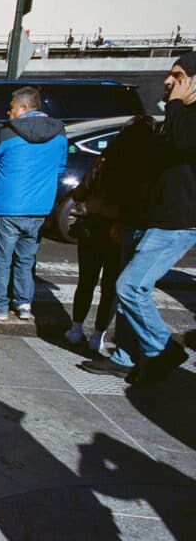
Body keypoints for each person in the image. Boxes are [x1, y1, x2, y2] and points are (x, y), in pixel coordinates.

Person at [80, 53, 196, 383]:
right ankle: (125, 356)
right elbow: (148, 176)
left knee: (131, 286)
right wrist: (127, 218)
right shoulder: (175, 118)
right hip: (146, 218)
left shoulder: (184, 118)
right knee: (125, 291)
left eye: (177, 75)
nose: (167, 81)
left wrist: (174, 105)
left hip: (174, 223)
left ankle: (162, 349)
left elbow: (184, 139)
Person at [63, 118, 157, 353]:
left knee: (86, 281)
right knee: (111, 285)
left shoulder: (105, 160)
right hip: (122, 227)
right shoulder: (147, 166)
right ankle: (99, 335)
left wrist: (83, 196)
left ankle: (76, 329)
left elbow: (81, 192)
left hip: (94, 225)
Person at [0, 87, 67, 322]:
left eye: (12, 108)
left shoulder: (7, 134)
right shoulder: (59, 134)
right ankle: (23, 303)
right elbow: (59, 169)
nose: (9, 113)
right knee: (26, 258)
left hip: (8, 205)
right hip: (40, 207)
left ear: (24, 107)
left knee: (1, 258)